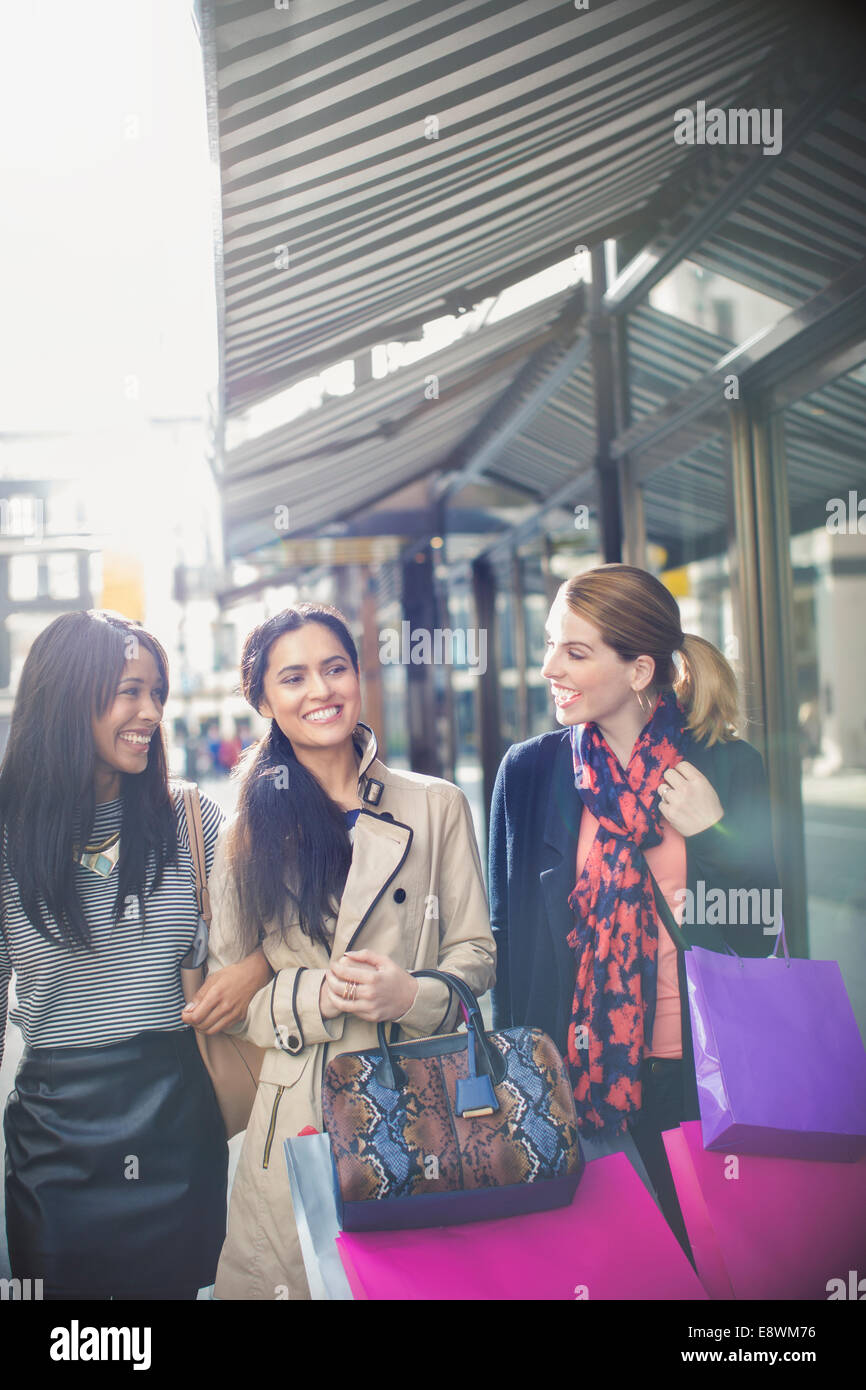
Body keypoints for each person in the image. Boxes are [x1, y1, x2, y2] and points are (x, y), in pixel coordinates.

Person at [196, 602, 496, 1300]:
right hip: (297, 1109)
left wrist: (412, 995)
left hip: (419, 1093)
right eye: (293, 677)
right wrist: (316, 994)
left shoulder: (436, 804)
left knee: (408, 1282)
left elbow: (476, 953)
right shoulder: (245, 832)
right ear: (264, 698)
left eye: (334, 669)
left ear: (358, 679)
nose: (320, 691)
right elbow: (233, 1000)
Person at [489, 564, 779, 1256]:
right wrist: (517, 1084)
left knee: (717, 1261)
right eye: (551, 645)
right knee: (612, 1264)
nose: (549, 667)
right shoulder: (530, 773)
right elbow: (510, 939)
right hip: (577, 1076)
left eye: (575, 652)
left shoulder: (727, 767)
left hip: (705, 1072)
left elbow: (763, 928)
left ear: (640, 669)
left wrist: (715, 836)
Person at [0, 610, 271, 1300]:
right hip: (55, 1135)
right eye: (130, 691)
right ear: (67, 697)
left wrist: (254, 968)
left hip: (176, 1118)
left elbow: (286, 932)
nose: (150, 712)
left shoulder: (190, 818)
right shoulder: (8, 836)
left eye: (157, 692)